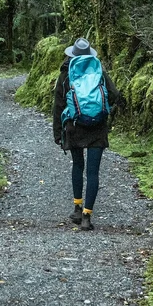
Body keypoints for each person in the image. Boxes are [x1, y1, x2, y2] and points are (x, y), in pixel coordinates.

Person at [52, 37, 120, 231]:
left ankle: (76, 207)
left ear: (71, 54)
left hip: (74, 126)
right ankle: (87, 217)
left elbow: (58, 105)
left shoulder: (66, 73)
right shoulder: (99, 71)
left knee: (77, 166)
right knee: (93, 173)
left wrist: (57, 132)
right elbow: (115, 95)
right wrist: (106, 114)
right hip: (97, 127)